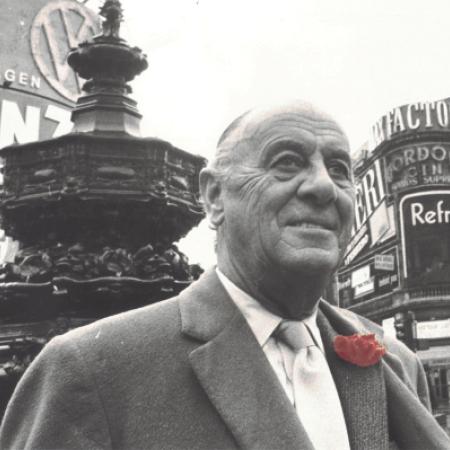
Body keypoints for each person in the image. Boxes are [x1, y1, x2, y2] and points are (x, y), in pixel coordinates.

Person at [1, 101, 449, 450]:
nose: (322, 186)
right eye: (287, 162)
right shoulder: (89, 371)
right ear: (214, 196)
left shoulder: (395, 361)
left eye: (339, 169)